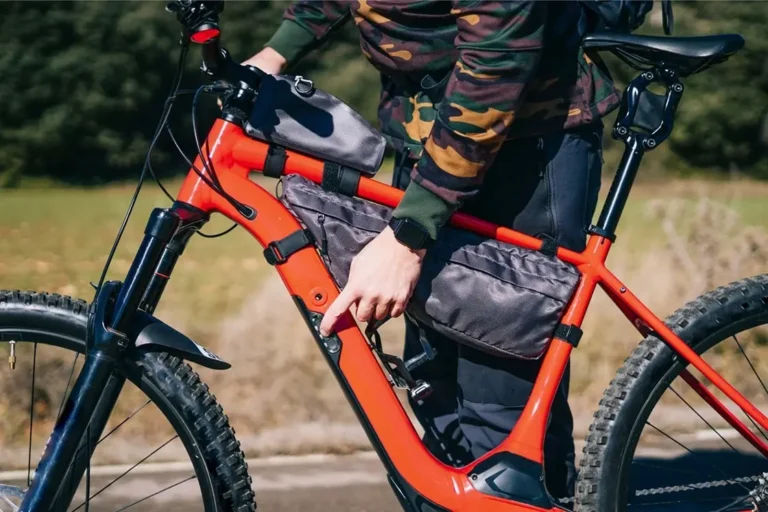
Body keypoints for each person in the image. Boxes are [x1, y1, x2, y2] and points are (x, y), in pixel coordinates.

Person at [246, 1, 618, 498]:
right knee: (435, 388)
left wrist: (409, 236)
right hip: (429, 147)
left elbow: (495, 64)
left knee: (499, 408)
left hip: (527, 140)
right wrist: (274, 53)